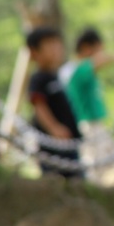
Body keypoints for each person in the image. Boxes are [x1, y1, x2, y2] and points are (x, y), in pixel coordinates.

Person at [60, 28, 114, 177]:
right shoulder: (79, 69)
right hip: (88, 123)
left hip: (95, 122)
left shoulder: (84, 70)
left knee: (106, 161)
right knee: (95, 165)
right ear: (86, 47)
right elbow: (97, 62)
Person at [26, 26, 84, 180]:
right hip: (53, 145)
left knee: (76, 178)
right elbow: (39, 106)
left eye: (58, 44)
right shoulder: (38, 79)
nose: (56, 49)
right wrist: (54, 128)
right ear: (34, 52)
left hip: (69, 141)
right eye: (50, 45)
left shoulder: (56, 75)